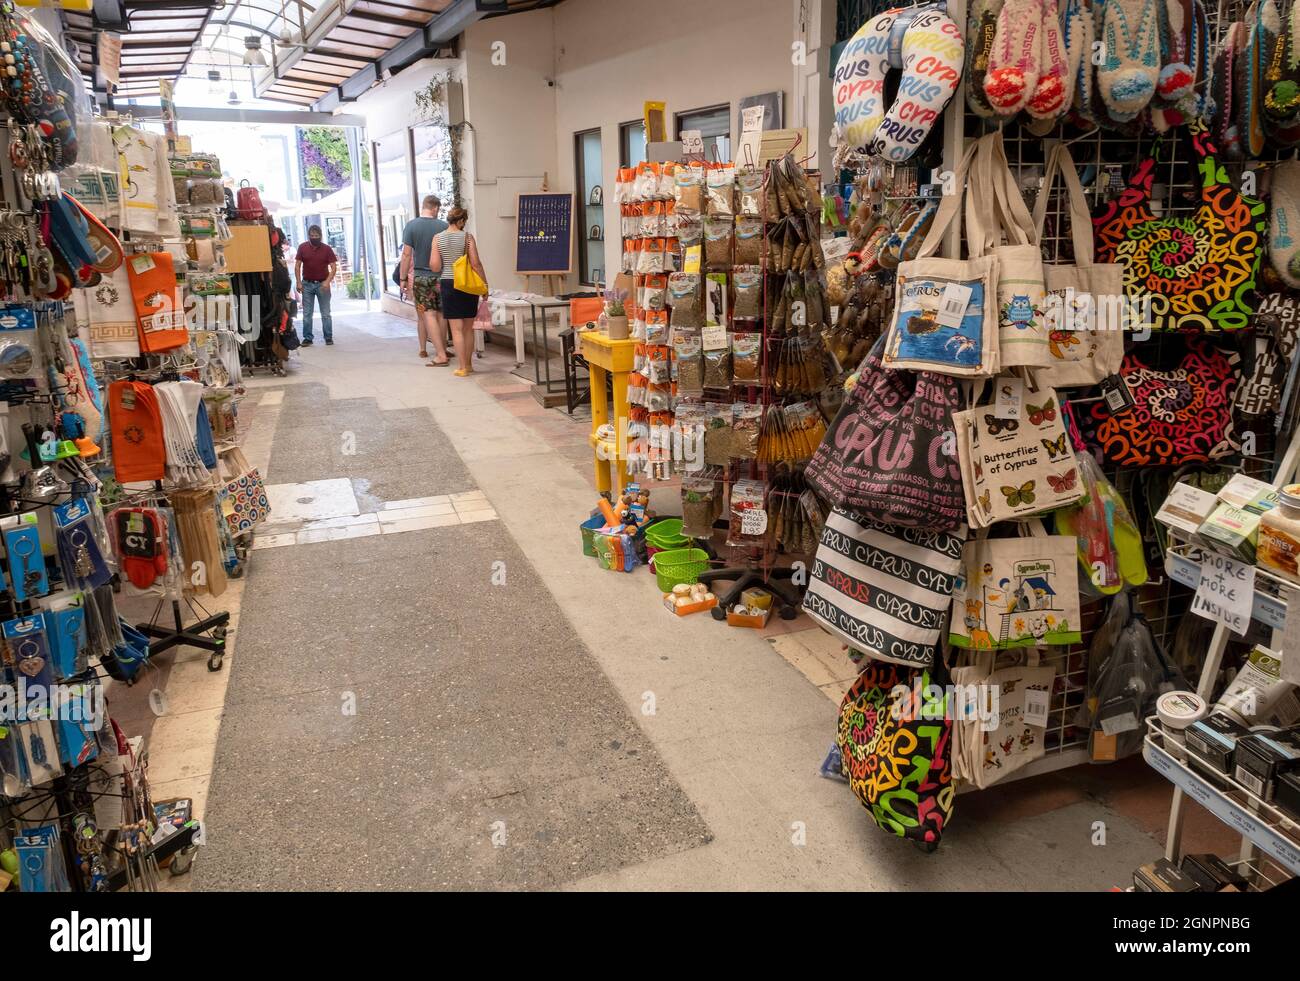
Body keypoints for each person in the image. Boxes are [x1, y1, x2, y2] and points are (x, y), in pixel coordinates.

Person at [430, 207, 486, 377]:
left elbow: (435, 266)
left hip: (448, 283)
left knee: (456, 329)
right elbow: (476, 264)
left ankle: (461, 368)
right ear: (461, 221)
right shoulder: (468, 238)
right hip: (467, 284)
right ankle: (468, 365)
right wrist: (484, 285)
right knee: (468, 329)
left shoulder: (437, 238)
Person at [400, 195, 450, 366]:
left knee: (428, 314)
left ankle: (440, 354)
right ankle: (441, 349)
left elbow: (406, 255)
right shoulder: (444, 226)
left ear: (424, 206)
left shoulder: (411, 226)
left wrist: (403, 278)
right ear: (435, 208)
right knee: (442, 314)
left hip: (421, 278)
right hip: (443, 277)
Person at [294, 224, 338, 346]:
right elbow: (297, 265)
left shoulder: (327, 249)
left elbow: (334, 267)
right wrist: (298, 282)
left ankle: (328, 337)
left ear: (321, 236)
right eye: (312, 236)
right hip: (307, 284)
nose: (314, 237)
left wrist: (327, 281)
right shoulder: (302, 247)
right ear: (309, 236)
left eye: (317, 236)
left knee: (325, 313)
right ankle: (308, 337)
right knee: (307, 313)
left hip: (322, 284)